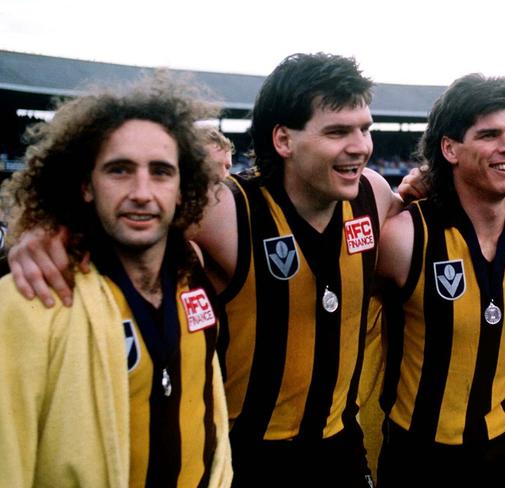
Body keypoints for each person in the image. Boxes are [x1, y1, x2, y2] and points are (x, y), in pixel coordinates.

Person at [7, 52, 404, 487]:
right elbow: (130, 212)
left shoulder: (375, 194)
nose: (361, 146)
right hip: (250, 456)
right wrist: (40, 229)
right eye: (338, 131)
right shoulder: (227, 209)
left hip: (340, 449)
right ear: (284, 141)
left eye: (364, 129)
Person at [0, 74, 232, 487]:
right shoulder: (33, 295)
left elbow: (208, 415)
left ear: (183, 188)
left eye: (161, 172)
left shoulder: (191, 274)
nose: (142, 192)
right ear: (87, 186)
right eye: (119, 170)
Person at [374, 73, 505, 486]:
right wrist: (400, 195)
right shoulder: (405, 237)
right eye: (489, 135)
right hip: (421, 458)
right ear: (450, 148)